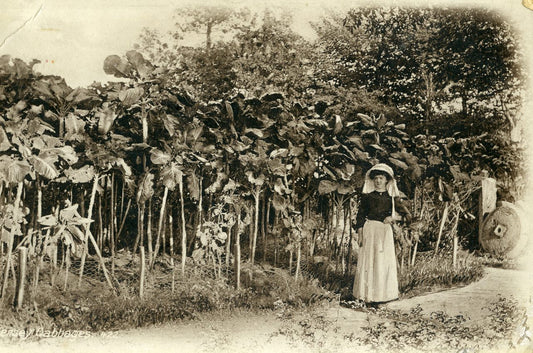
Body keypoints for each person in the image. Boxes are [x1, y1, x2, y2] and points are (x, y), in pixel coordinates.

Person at [353, 163, 411, 307]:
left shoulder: (392, 198)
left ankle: (382, 296)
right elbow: (360, 216)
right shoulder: (367, 197)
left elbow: (407, 216)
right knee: (370, 261)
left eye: (381, 178)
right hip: (370, 231)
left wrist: (394, 218)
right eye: (376, 178)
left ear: (387, 180)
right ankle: (367, 296)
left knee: (382, 262)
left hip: (385, 232)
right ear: (372, 180)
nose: (378, 181)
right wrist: (360, 235)